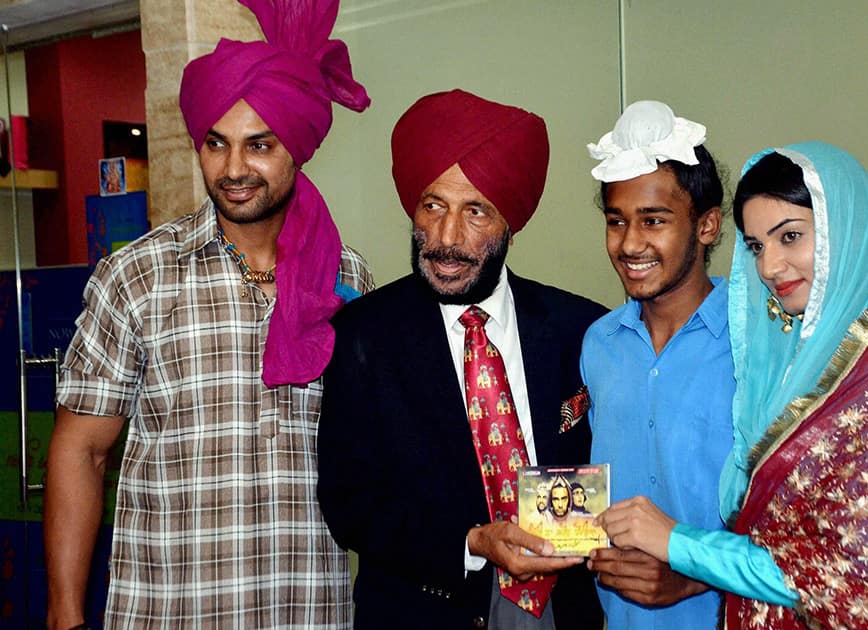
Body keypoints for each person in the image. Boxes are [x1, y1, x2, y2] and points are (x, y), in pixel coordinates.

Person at [43, 1, 372, 628]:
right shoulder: (136, 278)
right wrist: (65, 615)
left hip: (307, 609)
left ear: (297, 148)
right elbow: (80, 450)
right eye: (215, 144)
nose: (233, 169)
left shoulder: (348, 278)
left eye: (260, 145)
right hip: (170, 611)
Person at [597, 142, 868, 628]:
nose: (770, 267)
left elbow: (856, 578)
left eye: (790, 236)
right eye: (757, 246)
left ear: (847, 233)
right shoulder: (796, 352)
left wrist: (678, 544)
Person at [318, 89, 606, 630]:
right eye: (433, 206)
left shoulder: (581, 329)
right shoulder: (364, 335)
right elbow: (350, 501)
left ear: (511, 223)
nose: (446, 239)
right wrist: (473, 542)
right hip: (427, 607)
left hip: (563, 609)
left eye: (475, 211)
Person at [580, 100, 734, 628]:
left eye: (655, 220)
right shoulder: (599, 344)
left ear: (708, 225)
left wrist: (694, 573)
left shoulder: (758, 342)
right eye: (616, 221)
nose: (629, 243)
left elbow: (801, 517)